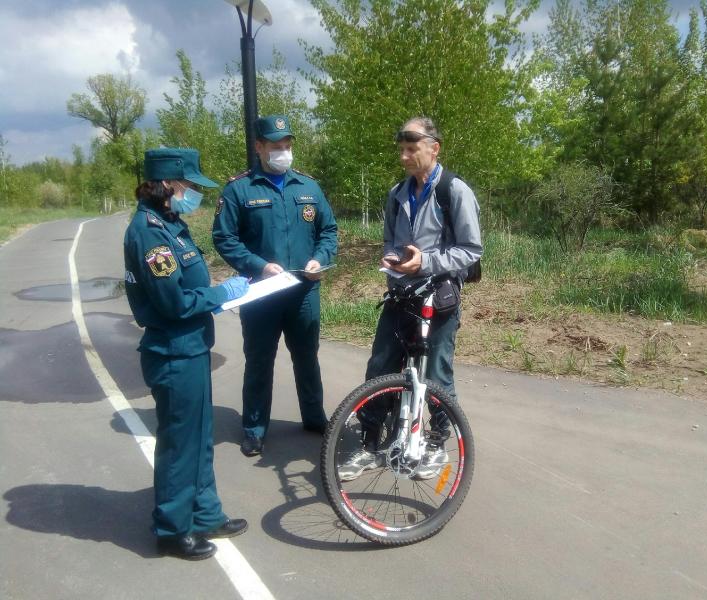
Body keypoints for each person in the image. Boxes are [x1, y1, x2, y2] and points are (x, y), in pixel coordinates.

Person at [339, 116, 483, 481]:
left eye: (411, 149)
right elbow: (390, 240)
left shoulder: (454, 191)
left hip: (439, 298)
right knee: (380, 367)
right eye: (401, 150)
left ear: (434, 149)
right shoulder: (397, 193)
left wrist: (425, 262)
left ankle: (436, 445)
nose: (403, 157)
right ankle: (370, 444)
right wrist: (392, 258)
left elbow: (471, 250)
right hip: (400, 294)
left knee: (437, 373)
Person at [123, 148, 250, 560]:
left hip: (192, 347)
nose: (195, 193)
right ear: (166, 184)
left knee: (199, 437)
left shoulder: (170, 224)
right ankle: (172, 529)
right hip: (173, 351)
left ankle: (205, 513)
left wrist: (216, 293)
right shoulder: (149, 233)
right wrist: (220, 294)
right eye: (190, 185)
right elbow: (174, 302)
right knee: (180, 443)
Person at [212, 115, 338, 457]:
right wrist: (259, 265)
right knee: (259, 360)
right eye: (275, 146)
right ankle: (254, 428)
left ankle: (314, 417)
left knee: (307, 358)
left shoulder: (308, 187)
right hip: (262, 294)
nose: (283, 152)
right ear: (259, 147)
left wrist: (320, 259)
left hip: (303, 291)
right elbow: (224, 237)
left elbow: (328, 230)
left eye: (287, 145)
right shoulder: (239, 189)